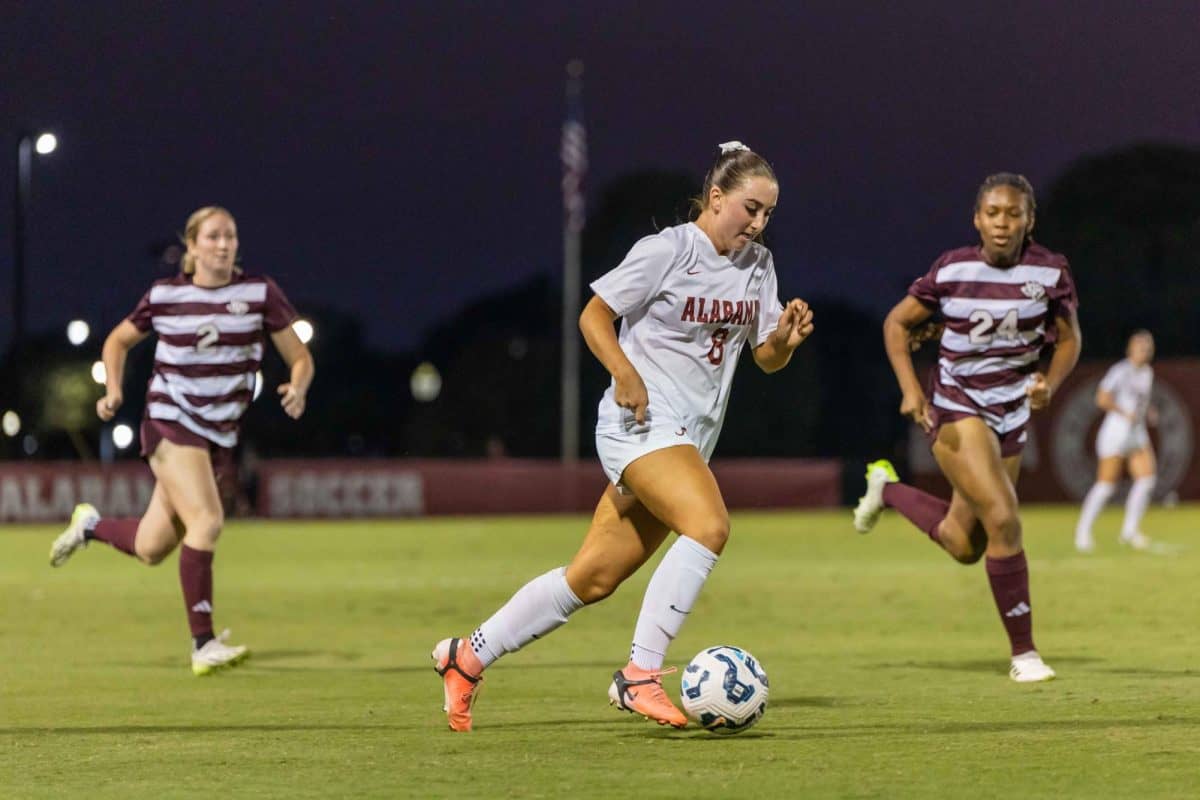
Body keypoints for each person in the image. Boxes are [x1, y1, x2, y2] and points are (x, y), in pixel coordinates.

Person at [432, 142, 813, 731]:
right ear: (716, 198)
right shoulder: (667, 250)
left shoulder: (758, 266)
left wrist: (784, 340)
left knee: (592, 577)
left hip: (687, 441)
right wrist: (626, 373)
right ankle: (639, 674)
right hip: (641, 426)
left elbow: (764, 359)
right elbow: (594, 315)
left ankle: (468, 656)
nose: (759, 224)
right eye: (751, 208)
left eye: (768, 214)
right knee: (709, 526)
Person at [50, 206, 314, 676]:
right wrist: (113, 389)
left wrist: (298, 385)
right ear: (191, 246)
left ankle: (89, 525)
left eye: (230, 236)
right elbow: (116, 342)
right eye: (212, 237)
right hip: (171, 420)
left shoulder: (259, 292)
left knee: (152, 547)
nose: (223, 244)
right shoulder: (166, 295)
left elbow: (300, 356)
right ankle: (203, 644)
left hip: (215, 435)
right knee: (208, 520)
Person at [853, 173, 1080, 683]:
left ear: (1029, 221)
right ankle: (1025, 656)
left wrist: (1050, 381)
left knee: (964, 541)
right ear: (977, 219)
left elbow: (1069, 340)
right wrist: (911, 390)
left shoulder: (1050, 272)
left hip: (1011, 414)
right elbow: (896, 324)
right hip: (958, 406)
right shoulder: (953, 269)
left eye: (1013, 214)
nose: (1003, 223)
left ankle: (886, 490)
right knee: (1004, 517)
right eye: (993, 213)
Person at [1074, 330, 1157, 552]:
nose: (1145, 351)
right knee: (1106, 485)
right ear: (1130, 349)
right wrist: (1123, 413)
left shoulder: (1147, 373)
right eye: (1140, 346)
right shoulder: (1120, 371)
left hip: (1137, 432)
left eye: (1148, 347)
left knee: (1147, 480)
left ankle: (1130, 531)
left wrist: (1149, 412)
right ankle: (1082, 532)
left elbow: (1140, 401)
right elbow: (1101, 398)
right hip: (1117, 432)